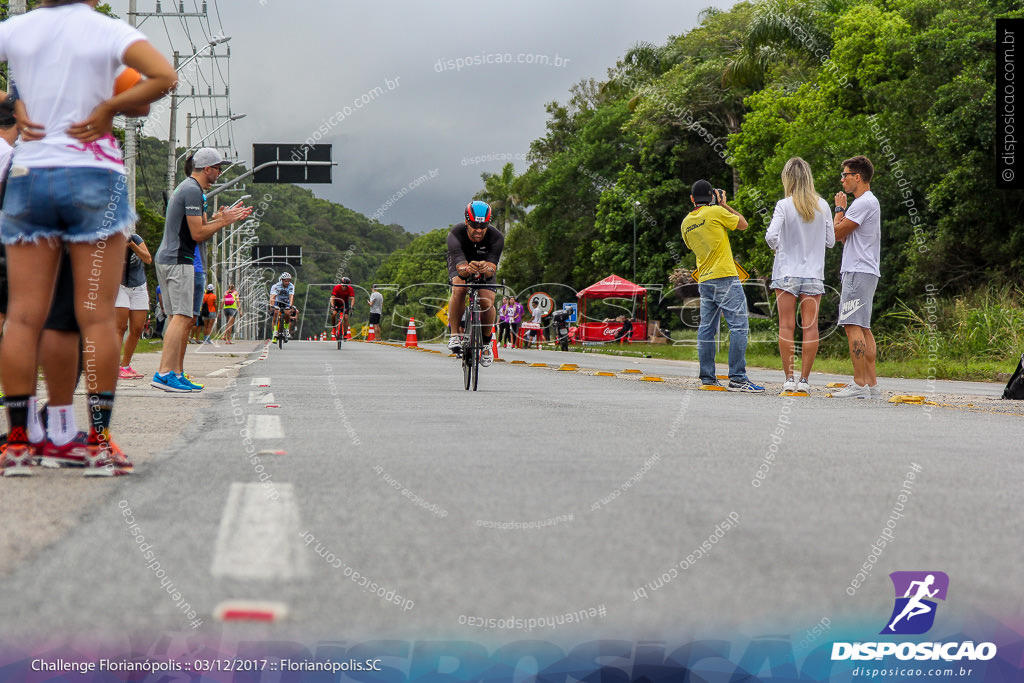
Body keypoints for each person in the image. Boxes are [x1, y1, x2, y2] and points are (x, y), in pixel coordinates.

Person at [0, 0, 176, 475]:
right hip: (94, 177)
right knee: (95, 318)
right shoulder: (105, 31)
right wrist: (109, 107)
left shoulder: (17, 29)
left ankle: (18, 444)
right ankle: (98, 443)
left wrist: (11, 103)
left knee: (22, 316)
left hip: (32, 176)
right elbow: (164, 77)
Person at [152, 147, 250, 392]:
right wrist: (223, 222)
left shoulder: (190, 189)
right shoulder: (192, 191)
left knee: (180, 317)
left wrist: (220, 219)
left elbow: (201, 227)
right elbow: (198, 234)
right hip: (178, 259)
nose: (219, 173)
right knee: (182, 316)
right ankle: (164, 373)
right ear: (207, 169)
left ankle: (175, 372)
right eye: (217, 168)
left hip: (172, 258)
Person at [681, 180, 764, 393]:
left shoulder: (686, 223)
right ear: (712, 197)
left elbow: (691, 246)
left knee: (707, 329)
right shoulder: (717, 211)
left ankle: (708, 377)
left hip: (705, 281)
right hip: (726, 277)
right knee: (738, 326)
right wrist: (724, 204)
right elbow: (743, 224)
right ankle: (738, 377)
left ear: (692, 199)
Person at [765, 157, 835, 394]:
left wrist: (779, 249)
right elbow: (831, 241)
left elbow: (770, 236)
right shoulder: (823, 205)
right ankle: (804, 381)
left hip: (786, 272)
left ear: (788, 179)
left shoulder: (783, 205)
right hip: (814, 274)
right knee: (810, 327)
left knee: (786, 326)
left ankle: (789, 378)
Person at [832, 155, 882, 399]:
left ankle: (859, 384)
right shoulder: (868, 202)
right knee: (863, 327)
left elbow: (835, 232)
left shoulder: (862, 203)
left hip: (857, 270)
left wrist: (839, 209)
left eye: (845, 175)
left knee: (852, 326)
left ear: (857, 177)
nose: (842, 180)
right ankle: (871, 385)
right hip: (866, 270)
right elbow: (843, 237)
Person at [446, 200, 503, 366]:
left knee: (487, 302)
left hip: (484, 265)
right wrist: (467, 269)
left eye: (483, 226)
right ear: (466, 222)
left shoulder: (496, 237)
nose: (479, 230)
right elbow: (461, 270)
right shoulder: (455, 234)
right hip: (461, 264)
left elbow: (492, 268)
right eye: (474, 225)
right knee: (459, 289)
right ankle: (455, 335)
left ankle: (486, 343)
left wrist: (485, 268)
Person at [116, 232, 152, 379]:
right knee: (120, 327)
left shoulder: (135, 238)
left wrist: (132, 245)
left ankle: (125, 365)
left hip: (139, 286)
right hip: (119, 286)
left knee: (137, 328)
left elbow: (148, 259)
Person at [269, 272, 297, 342]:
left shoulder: (291, 286)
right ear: (282, 280)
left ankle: (286, 329)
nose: (287, 282)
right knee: (275, 313)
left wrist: (290, 306)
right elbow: (273, 297)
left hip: (286, 302)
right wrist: (272, 306)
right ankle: (275, 332)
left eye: (288, 281)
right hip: (277, 301)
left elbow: (291, 296)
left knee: (287, 313)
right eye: (285, 281)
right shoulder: (276, 286)